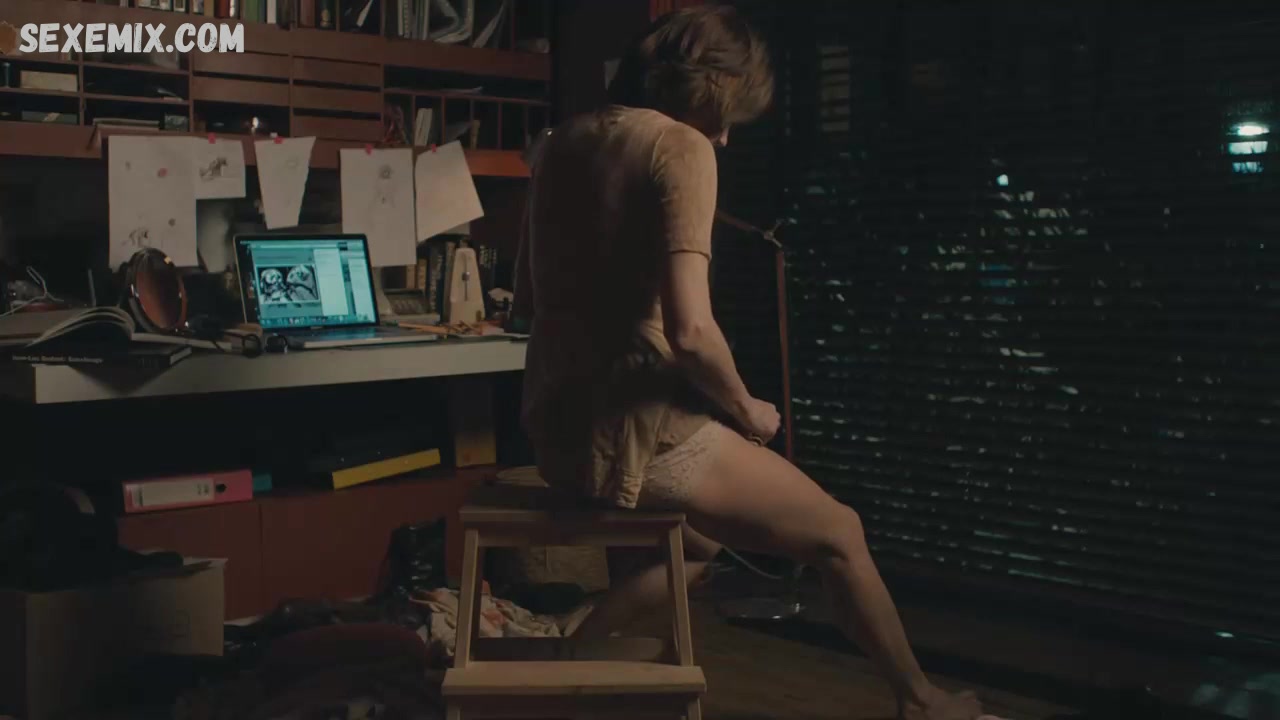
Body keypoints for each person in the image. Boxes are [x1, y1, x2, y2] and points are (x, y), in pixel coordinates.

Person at [513, 6, 991, 720]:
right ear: (709, 86)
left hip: (556, 429)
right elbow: (691, 331)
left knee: (699, 547)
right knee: (840, 533)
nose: (727, 136)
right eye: (728, 113)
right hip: (637, 432)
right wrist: (747, 410)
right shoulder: (679, 146)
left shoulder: (560, 142)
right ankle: (922, 701)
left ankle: (570, 650)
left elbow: (526, 299)